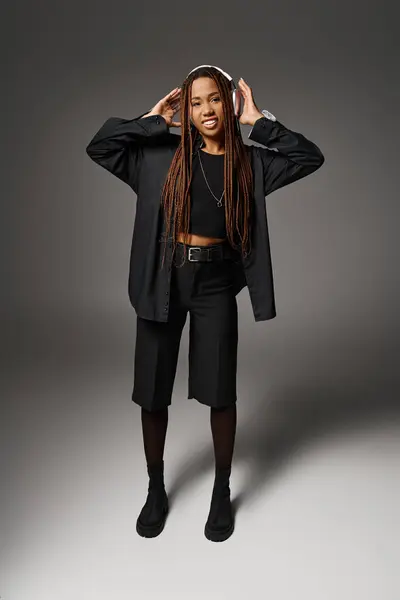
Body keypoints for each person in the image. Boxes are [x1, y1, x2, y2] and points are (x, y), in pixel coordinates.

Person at [86, 65, 324, 543]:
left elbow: (309, 157)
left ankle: (221, 489)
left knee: (220, 390)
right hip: (163, 277)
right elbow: (101, 145)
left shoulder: (251, 162)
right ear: (186, 111)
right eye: (195, 103)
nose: (206, 110)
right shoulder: (158, 157)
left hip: (216, 282)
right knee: (152, 390)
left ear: (228, 102)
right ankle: (156, 487)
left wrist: (259, 122)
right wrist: (152, 120)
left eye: (214, 99)